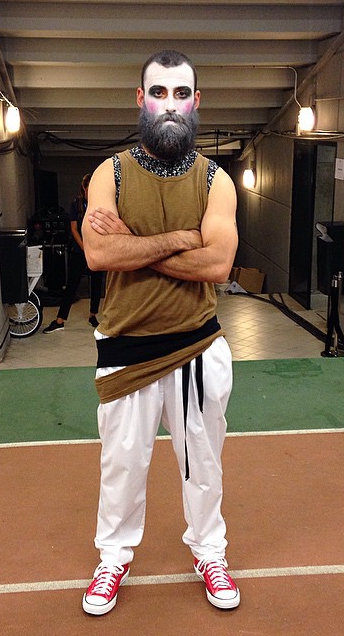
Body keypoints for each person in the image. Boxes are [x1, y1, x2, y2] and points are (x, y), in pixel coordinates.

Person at [80, 49, 240, 615]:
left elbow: (217, 265)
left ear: (196, 102)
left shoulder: (216, 181)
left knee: (203, 463)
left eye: (180, 93)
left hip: (197, 343)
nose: (169, 104)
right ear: (140, 99)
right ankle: (113, 558)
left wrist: (135, 242)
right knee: (122, 466)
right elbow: (99, 254)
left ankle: (210, 552)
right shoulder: (111, 173)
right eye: (158, 92)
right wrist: (180, 239)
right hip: (126, 346)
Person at [43, 174, 103, 332]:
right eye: (90, 188)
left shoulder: (100, 203)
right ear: (84, 188)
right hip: (79, 250)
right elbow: (73, 229)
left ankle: (93, 315)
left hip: (97, 249)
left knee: (97, 282)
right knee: (72, 285)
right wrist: (84, 247)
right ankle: (60, 320)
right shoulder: (76, 204)